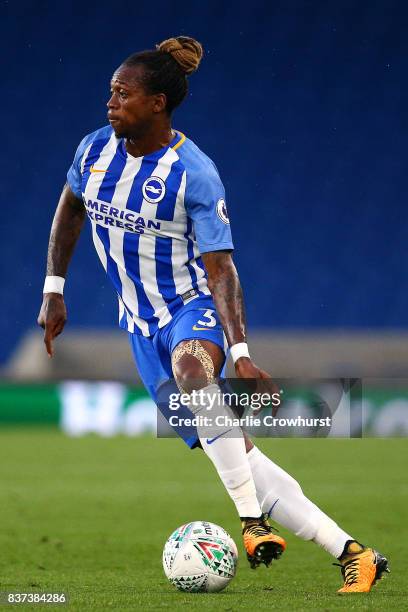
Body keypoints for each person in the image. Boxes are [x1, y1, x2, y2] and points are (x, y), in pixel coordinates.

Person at [37, 35, 389, 594]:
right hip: (139, 327)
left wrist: (242, 351)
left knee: (195, 372)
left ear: (157, 103)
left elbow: (221, 269)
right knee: (242, 458)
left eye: (122, 95)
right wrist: (54, 287)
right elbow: (70, 208)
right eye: (110, 93)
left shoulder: (193, 173)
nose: (111, 104)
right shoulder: (92, 151)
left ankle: (251, 522)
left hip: (190, 310)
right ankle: (355, 553)